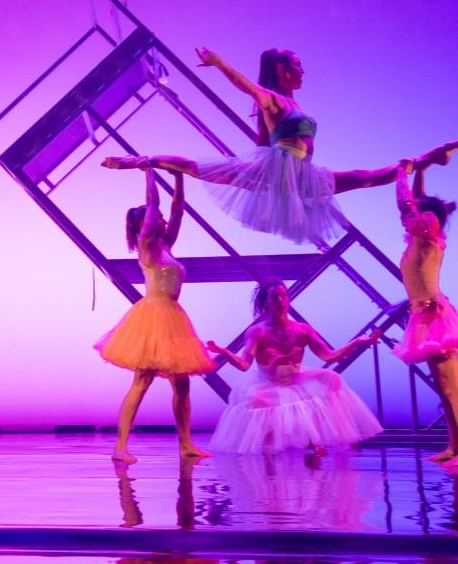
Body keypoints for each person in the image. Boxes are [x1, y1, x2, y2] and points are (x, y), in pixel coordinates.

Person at [102, 47, 457, 244]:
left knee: (362, 178)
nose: (303, 71)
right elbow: (246, 87)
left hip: (300, 171)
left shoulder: (294, 104)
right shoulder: (272, 98)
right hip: (279, 167)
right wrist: (220, 63)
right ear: (282, 69)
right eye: (298, 66)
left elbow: (263, 137)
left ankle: (425, 159)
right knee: (198, 168)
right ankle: (139, 160)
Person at [95, 167, 215, 463]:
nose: (162, 219)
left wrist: (179, 175)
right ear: (143, 225)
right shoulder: (147, 245)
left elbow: (177, 210)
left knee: (182, 384)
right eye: (155, 218)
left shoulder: (166, 245)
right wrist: (147, 170)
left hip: (173, 318)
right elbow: (154, 206)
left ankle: (186, 443)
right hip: (153, 316)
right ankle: (120, 446)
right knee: (142, 380)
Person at [207, 279, 383, 454]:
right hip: (270, 384)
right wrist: (224, 352)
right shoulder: (257, 331)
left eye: (283, 296)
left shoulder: (302, 329)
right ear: (266, 303)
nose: (281, 301)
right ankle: (271, 463)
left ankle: (318, 444)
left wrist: (358, 342)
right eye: (275, 297)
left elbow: (328, 355)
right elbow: (245, 365)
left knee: (332, 378)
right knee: (262, 406)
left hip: (296, 380)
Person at [391, 160, 458, 465]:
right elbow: (415, 201)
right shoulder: (422, 235)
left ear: (429, 217)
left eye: (416, 212)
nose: (407, 215)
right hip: (424, 316)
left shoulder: (429, 234)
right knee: (443, 389)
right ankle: (454, 446)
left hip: (434, 315)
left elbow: (406, 202)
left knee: (450, 385)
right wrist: (421, 171)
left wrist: (401, 174)